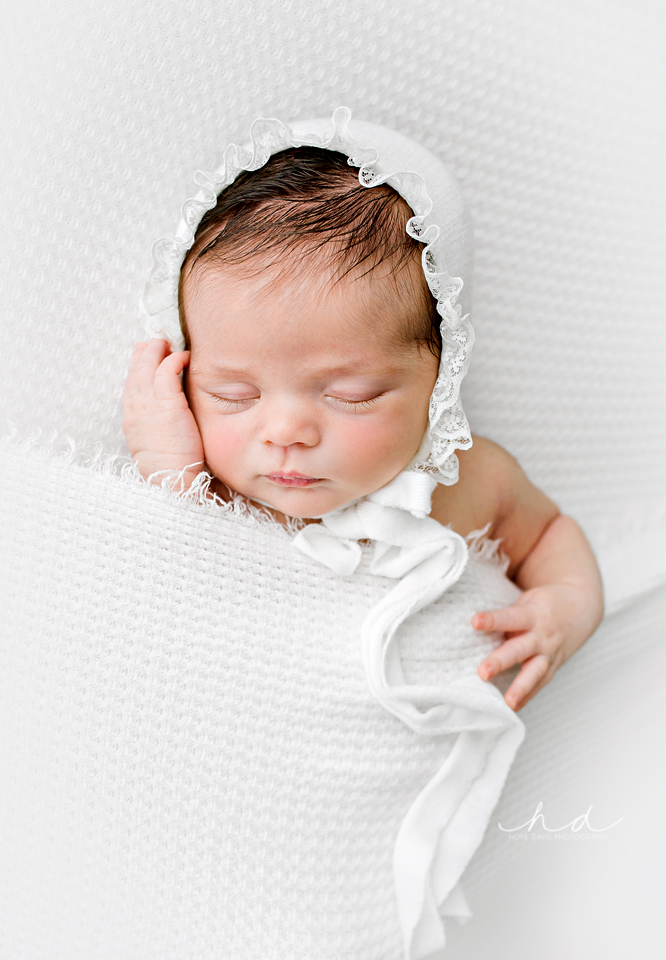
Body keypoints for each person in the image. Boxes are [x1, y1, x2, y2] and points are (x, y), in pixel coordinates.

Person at [121, 109, 604, 955]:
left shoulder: (468, 479)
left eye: (348, 395)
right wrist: (168, 468)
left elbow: (549, 533)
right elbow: (178, 586)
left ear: (439, 373)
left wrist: (567, 604)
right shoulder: (216, 492)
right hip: (241, 792)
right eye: (233, 394)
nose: (285, 432)